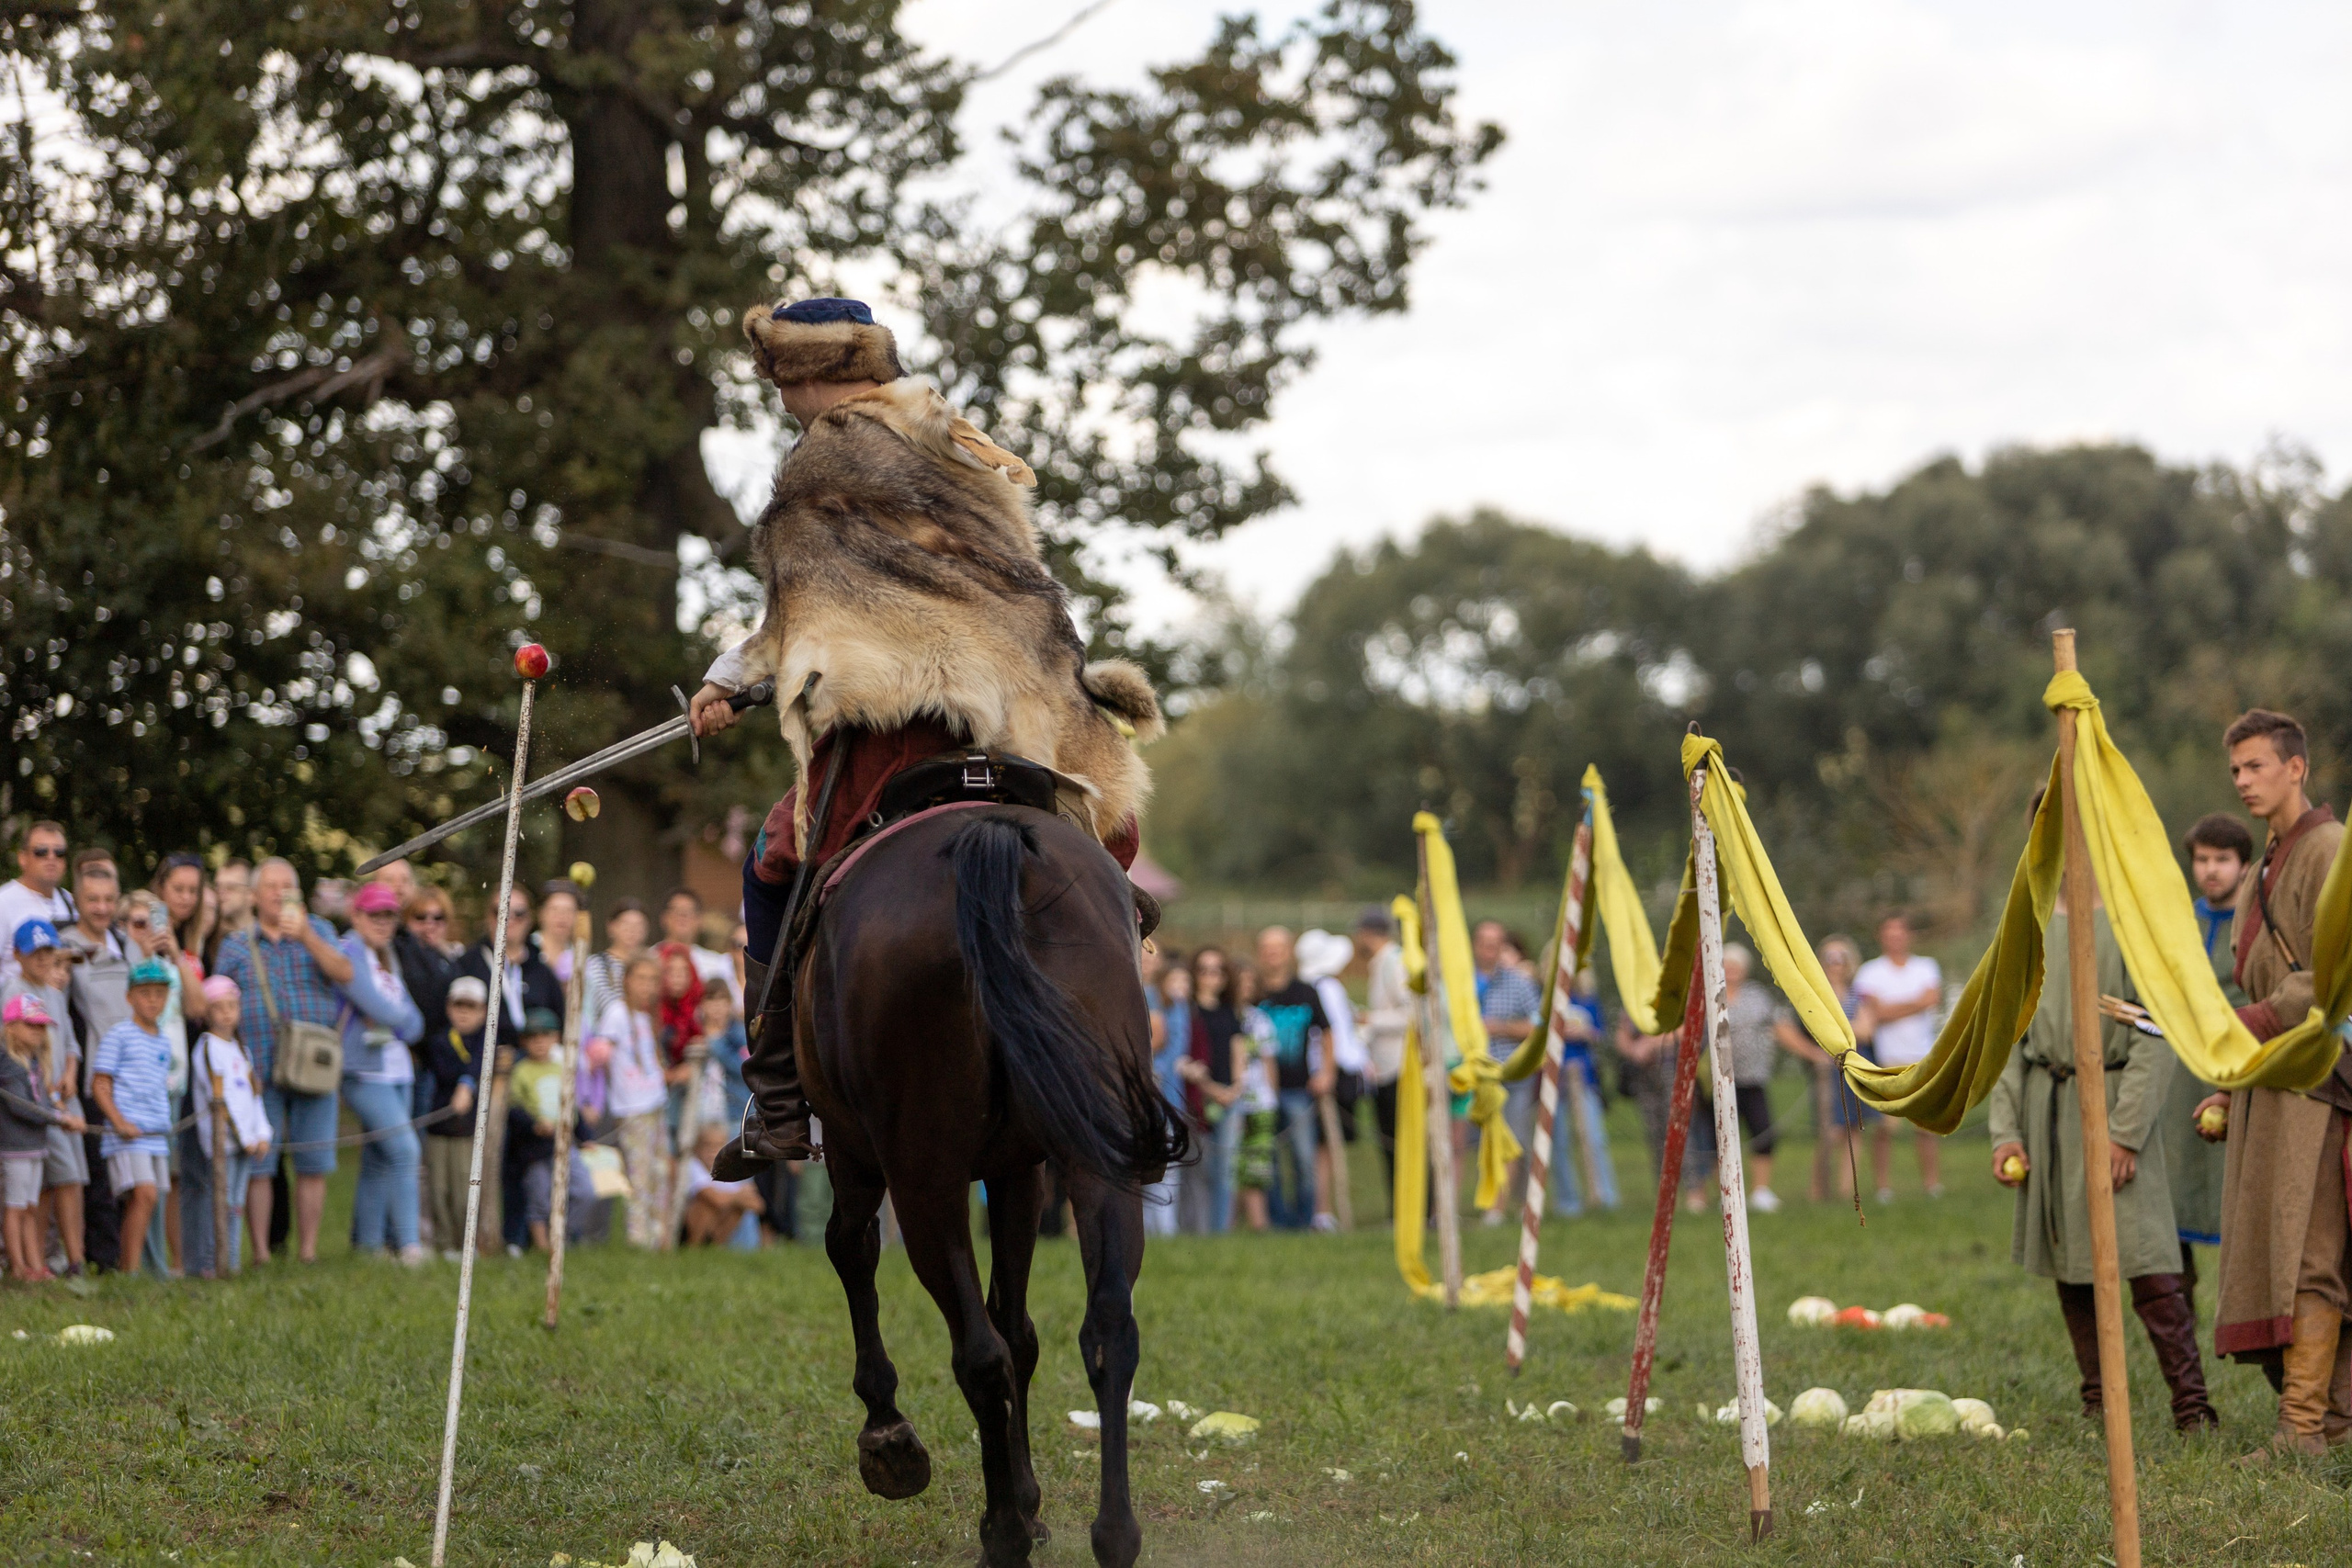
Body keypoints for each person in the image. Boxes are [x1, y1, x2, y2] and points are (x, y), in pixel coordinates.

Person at [686, 297, 1163, 1175]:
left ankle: (778, 1096)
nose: (781, 400)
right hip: (1016, 715)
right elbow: (1013, 580)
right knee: (1106, 844)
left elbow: (805, 616)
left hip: (900, 726)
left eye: (782, 381)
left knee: (772, 860)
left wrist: (727, 679)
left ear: (809, 374)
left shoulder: (822, 459)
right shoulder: (949, 435)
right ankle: (1116, 1035)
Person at [1988, 832, 2213, 1431]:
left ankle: (2192, 1405)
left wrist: (2126, 1132)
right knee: (2070, 1259)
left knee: (2147, 1256)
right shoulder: (2028, 923)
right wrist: (2006, 1131)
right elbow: (2006, 1036)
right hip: (2048, 1108)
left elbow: (2155, 1031)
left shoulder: (2131, 920)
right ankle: (2099, 1399)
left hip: (2113, 1103)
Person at [2193, 708, 2352, 1461]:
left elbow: (2333, 973)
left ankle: (2302, 1430)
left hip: (2317, 1073)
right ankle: (2336, 1421)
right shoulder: (2267, 860)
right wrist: (2230, 1084)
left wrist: (2250, 1021)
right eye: (2235, 769)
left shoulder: (2330, 848)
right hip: (2271, 1075)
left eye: (2256, 765)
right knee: (2277, 1243)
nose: (2243, 781)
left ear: (2297, 767)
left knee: (2310, 1251)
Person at [210, 857, 356, 1265]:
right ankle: (261, 1254)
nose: (279, 894)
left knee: (313, 1161)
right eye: (271, 887)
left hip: (314, 1067)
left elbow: (345, 973)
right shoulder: (236, 944)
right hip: (258, 1068)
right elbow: (218, 1000)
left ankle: (308, 1252)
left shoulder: (320, 930)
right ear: (254, 896)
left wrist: (306, 935)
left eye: (286, 886)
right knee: (260, 1163)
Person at [2165, 812, 2251, 1280]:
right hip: (2178, 1077)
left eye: (2222, 859)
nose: (2211, 869)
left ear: (2244, 865)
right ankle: (2179, 1307)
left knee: (2241, 1194)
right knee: (2172, 1192)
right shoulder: (2179, 923)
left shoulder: (2258, 924)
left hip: (2242, 1070)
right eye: (2202, 859)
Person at [340, 881, 427, 1262]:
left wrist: (395, 1021)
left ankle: (368, 1246)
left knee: (378, 1158)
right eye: (375, 914)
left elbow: (415, 1023)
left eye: (389, 915)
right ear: (357, 915)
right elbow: (377, 1005)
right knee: (405, 1150)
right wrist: (396, 1019)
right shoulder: (348, 950)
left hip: (397, 1070)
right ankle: (409, 1245)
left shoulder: (387, 954)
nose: (383, 922)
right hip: (362, 1070)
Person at [6, 919, 87, 1274]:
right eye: (34, 952)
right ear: (17, 954)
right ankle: (48, 1261)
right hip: (36, 1104)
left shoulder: (54, 992)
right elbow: (11, 1048)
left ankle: (59, 1259)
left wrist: (69, 1074)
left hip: (61, 1099)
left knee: (66, 1179)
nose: (42, 958)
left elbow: (69, 1043)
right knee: (55, 1180)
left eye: (48, 951)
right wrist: (44, 1094)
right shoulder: (12, 990)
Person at [92, 959, 178, 1276]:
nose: (153, 1000)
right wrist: (119, 1122)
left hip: (155, 1133)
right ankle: (129, 1270)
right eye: (145, 993)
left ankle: (145, 1268)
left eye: (160, 993)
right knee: (144, 1195)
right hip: (128, 1134)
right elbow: (100, 1084)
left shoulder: (163, 1040)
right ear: (129, 997)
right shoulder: (119, 1035)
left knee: (151, 1200)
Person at [181, 976, 270, 1279]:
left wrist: (261, 1133)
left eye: (233, 1006)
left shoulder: (241, 1049)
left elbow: (254, 1095)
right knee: (220, 1203)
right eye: (219, 1007)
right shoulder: (207, 1048)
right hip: (224, 1144)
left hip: (246, 1143)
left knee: (236, 1205)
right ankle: (212, 1263)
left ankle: (231, 1263)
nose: (227, 1013)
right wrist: (244, 1138)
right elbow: (220, 1099)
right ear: (207, 1012)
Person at [1854, 911, 1944, 1202]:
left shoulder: (1926, 966)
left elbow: (1931, 999)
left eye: (1899, 933)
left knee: (1926, 1126)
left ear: (1909, 936)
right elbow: (1875, 1012)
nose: (1895, 939)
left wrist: (1891, 1009)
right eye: (1889, 933)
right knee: (1885, 1128)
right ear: (1881, 937)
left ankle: (1932, 1184)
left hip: (1923, 1057)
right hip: (1886, 1060)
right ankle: (1883, 1187)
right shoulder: (1869, 972)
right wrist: (1914, 1004)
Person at [1251, 927, 1333, 1231]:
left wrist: (1326, 1072)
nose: (1273, 955)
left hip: (1299, 1089)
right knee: (1268, 1158)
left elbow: (1327, 1032)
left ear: (1289, 953)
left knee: (1303, 1157)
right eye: (1267, 949)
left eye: (1279, 948)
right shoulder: (1253, 993)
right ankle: (1278, 1221)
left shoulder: (1306, 992)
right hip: (1261, 1091)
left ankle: (1305, 1219)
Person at [594, 953, 671, 1248]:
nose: (647, 986)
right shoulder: (616, 1013)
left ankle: (658, 1238)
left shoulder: (648, 1016)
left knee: (659, 1172)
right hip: (632, 1106)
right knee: (639, 1175)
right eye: (641, 978)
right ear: (626, 980)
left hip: (655, 1101)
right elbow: (601, 1054)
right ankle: (638, 1239)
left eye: (653, 980)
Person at [1297, 930, 1366, 1233]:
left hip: (1322, 1071)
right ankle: (1322, 1209)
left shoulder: (1312, 987)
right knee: (1324, 1146)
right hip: (1333, 1072)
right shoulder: (1327, 988)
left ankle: (1322, 1209)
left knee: (1321, 1146)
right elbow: (1334, 1034)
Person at [1474, 919, 1542, 1225]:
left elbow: (1537, 1026)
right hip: (1472, 1077)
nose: (1489, 950)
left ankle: (1497, 1209)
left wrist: (1499, 1028)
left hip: (1511, 1075)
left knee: (1511, 1140)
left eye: (1495, 944)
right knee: (1473, 1144)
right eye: (1484, 943)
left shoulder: (1519, 983)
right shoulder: (1461, 981)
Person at [506, 1008, 592, 1253]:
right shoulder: (520, 1071)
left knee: (584, 1191)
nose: (540, 1042)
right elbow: (514, 1110)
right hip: (533, 1148)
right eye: (533, 1037)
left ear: (556, 1038)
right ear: (524, 1041)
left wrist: (586, 1136)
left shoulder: (561, 1068)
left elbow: (573, 1106)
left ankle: (563, 1237)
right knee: (540, 1197)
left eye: (546, 1035)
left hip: (565, 1142)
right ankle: (542, 1246)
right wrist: (534, 1126)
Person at [1176, 948, 1245, 1234]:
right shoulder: (1187, 1012)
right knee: (1199, 1169)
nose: (1210, 977)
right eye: (1203, 970)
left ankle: (1221, 1230)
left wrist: (1236, 1087)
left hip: (1230, 1099)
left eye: (1217, 970)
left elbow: (1238, 1049)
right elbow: (1186, 1055)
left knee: (1226, 1170)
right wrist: (1212, 1090)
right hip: (1197, 1099)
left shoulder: (1230, 1011)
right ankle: (1199, 1230)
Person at [1715, 945, 1788, 1213]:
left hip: (1753, 1078)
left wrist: (1815, 1052)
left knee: (1762, 1131)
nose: (1732, 971)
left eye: (1736, 966)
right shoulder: (1709, 995)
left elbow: (1781, 1029)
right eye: (1727, 965)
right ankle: (1726, 1192)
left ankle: (1760, 1190)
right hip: (1717, 1082)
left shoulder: (1758, 996)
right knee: (1720, 1136)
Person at [421, 976, 490, 1260]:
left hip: (468, 1130)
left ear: (483, 1011)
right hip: (439, 1127)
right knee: (439, 1188)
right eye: (459, 1005)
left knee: (464, 1188)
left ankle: (467, 1242)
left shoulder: (485, 1041)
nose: (464, 1012)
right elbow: (446, 1069)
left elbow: (479, 1064)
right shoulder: (440, 1041)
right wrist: (464, 1079)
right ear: (449, 1008)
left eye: (471, 1007)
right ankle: (444, 1243)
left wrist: (467, 1083)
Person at [1544, 964, 1620, 1218]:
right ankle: (1568, 1202)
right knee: (1559, 1141)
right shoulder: (1545, 1001)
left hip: (1584, 1077)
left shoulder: (1588, 1001)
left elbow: (1600, 1033)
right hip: (1553, 1078)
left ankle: (1605, 1196)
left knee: (1594, 1138)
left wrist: (1585, 1033)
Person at [460, 887, 565, 1047]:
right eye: (500, 912)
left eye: (519, 913)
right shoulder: (468, 964)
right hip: (484, 1057)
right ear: (488, 917)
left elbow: (560, 1022)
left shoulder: (542, 971)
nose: (509, 919)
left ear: (530, 919)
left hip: (535, 1058)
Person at [1354, 908, 1411, 1198]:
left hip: (1399, 1066)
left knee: (1401, 1144)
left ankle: (1415, 1207)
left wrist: (1371, 1019)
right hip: (1384, 1067)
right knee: (1390, 1143)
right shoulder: (1382, 963)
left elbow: (1411, 1014)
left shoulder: (1394, 962)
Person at [0, 822, 75, 988]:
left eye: (59, 853)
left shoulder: (70, 902)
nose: (51, 858)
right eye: (41, 852)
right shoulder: (4, 902)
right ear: (22, 858)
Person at [681, 1123, 766, 1247]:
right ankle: (694, 1246)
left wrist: (742, 1198)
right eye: (707, 1145)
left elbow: (758, 1206)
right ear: (697, 1148)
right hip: (688, 1223)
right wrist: (738, 1197)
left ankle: (716, 1246)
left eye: (718, 1145)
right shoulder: (693, 1166)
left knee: (738, 1207)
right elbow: (713, 1197)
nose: (712, 1150)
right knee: (705, 1205)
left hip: (718, 1220)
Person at [660, 889, 734, 999]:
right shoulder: (651, 958)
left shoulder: (717, 964)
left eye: (689, 911)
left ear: (700, 920)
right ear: (664, 918)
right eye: (677, 910)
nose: (682, 916)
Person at [205, 859, 253, 972]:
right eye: (218, 887)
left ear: (251, 894)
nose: (222, 893)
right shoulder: (208, 934)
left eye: (231, 887)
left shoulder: (266, 937)